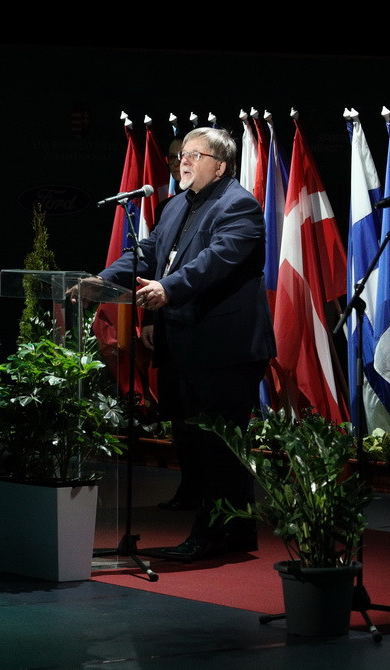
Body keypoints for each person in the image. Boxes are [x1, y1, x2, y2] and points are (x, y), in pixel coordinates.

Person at [95, 126, 275, 561]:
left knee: (220, 446)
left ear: (221, 166)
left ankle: (212, 536)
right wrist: (101, 281)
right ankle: (236, 533)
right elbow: (147, 253)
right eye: (182, 155)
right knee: (199, 443)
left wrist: (168, 289)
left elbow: (215, 261)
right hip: (184, 344)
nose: (184, 161)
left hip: (225, 349)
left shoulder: (239, 205)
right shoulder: (176, 205)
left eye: (196, 155)